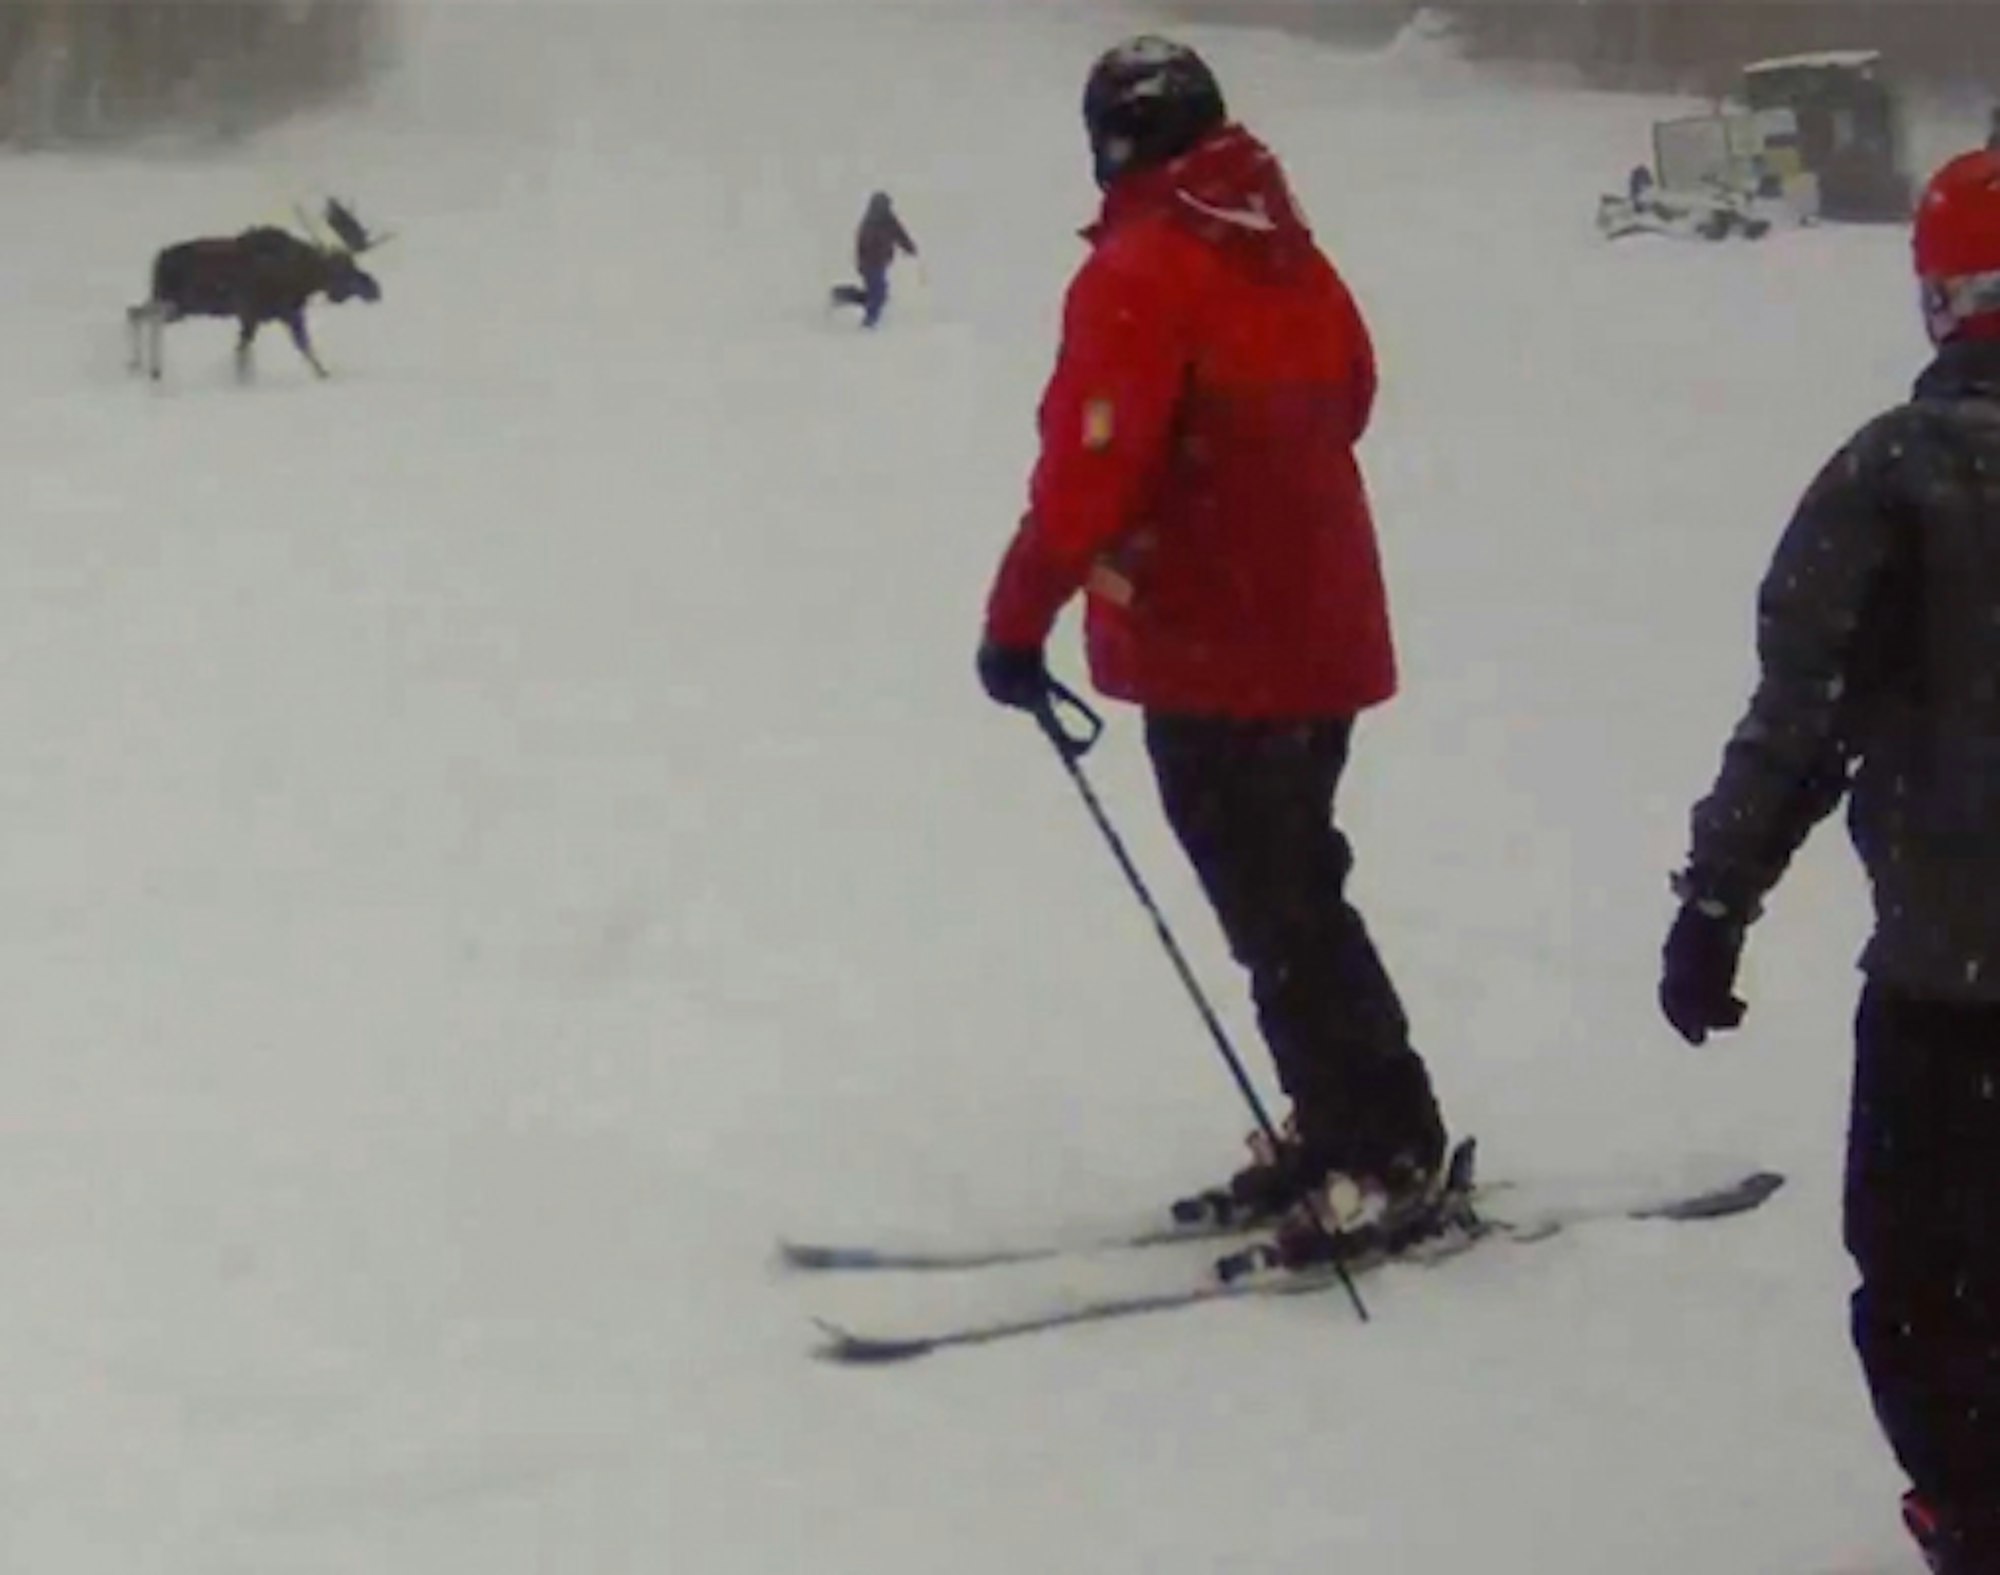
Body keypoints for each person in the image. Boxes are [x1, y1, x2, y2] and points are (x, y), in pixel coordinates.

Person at [974, 35, 1448, 1266]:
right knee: (1293, 888)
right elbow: (1352, 390)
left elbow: (1088, 473)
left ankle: (1376, 1145)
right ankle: (1355, 1122)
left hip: (1215, 641)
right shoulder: (1285, 248)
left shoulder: (1140, 270)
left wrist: (1017, 620)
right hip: (1316, 629)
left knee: (1276, 904)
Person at [1660, 147, 2000, 1575]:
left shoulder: (1892, 477)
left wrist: (1716, 899)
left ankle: (1977, 1510)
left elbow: (1800, 718)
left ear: (1937, 296)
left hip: (1951, 982)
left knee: (1926, 1272)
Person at [829, 192, 918, 329]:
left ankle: (842, 295)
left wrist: (909, 248)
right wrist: (862, 263)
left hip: (880, 263)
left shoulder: (888, 221)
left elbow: (900, 235)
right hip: (871, 264)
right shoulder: (870, 222)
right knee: (878, 295)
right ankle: (869, 322)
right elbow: (861, 245)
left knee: (877, 295)